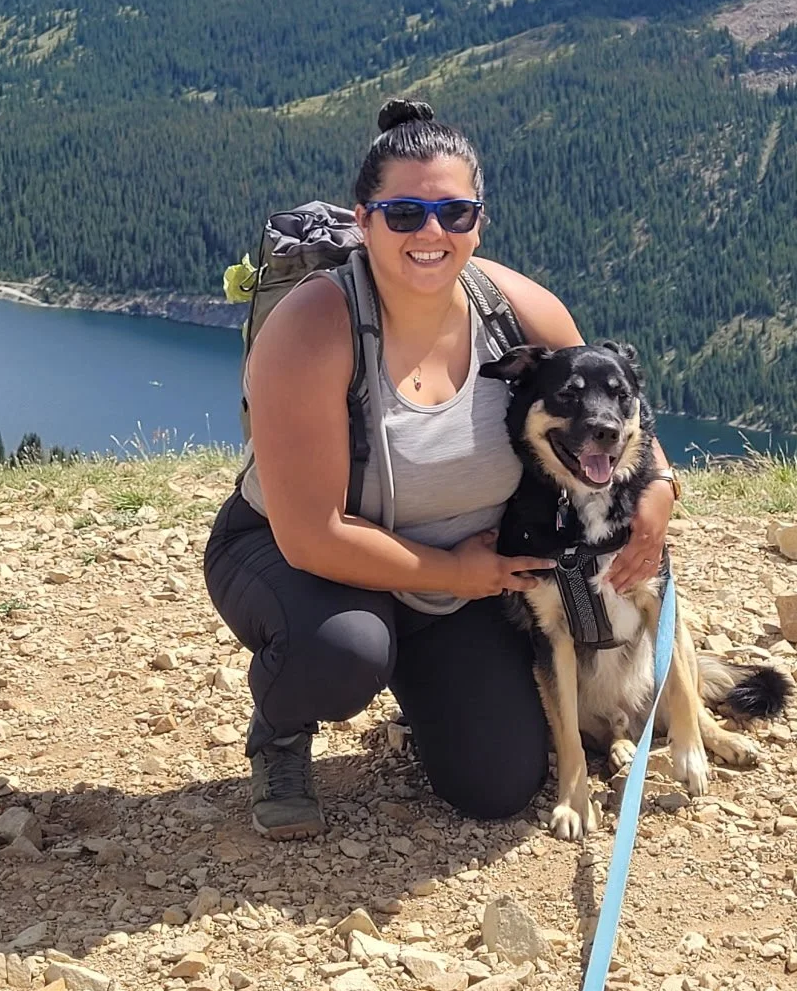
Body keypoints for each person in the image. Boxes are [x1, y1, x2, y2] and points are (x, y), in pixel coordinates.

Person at [203, 98, 679, 838]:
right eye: (403, 213)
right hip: (302, 562)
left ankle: (416, 688)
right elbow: (312, 536)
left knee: (499, 784)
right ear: (363, 221)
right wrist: (454, 574)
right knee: (344, 650)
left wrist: (659, 492)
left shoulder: (512, 307)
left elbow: (613, 400)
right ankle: (282, 727)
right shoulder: (314, 328)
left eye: (455, 214)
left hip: (459, 584)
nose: (431, 233)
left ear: (478, 222)